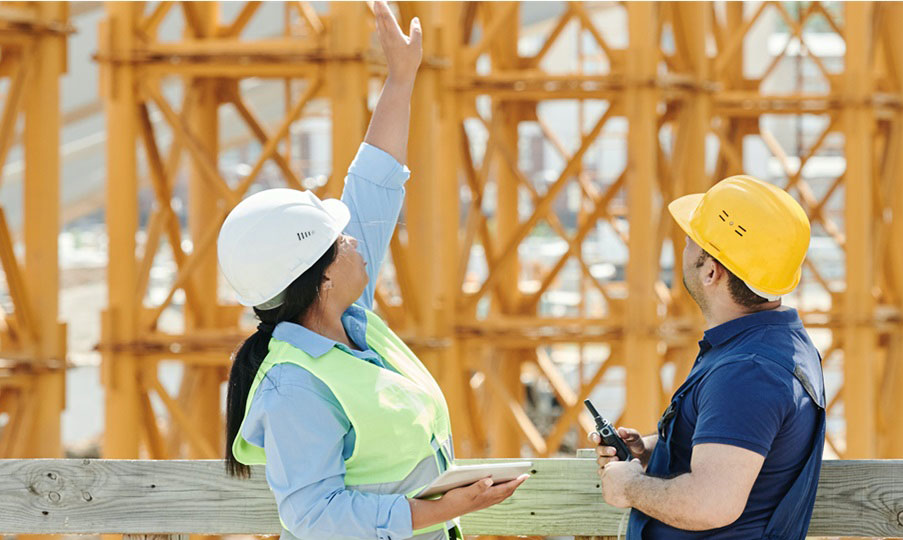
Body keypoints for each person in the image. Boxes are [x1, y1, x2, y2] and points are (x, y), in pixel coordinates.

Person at [218, 4, 525, 540]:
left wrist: (401, 78)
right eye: (341, 240)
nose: (355, 238)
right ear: (321, 278)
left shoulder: (350, 321)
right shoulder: (295, 385)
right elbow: (312, 516)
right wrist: (446, 508)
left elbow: (374, 183)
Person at [591, 176, 828, 539]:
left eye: (691, 240)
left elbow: (711, 502)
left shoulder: (748, 371)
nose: (684, 247)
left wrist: (630, 487)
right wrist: (653, 452)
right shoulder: (771, 345)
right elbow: (743, 453)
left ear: (711, 271)